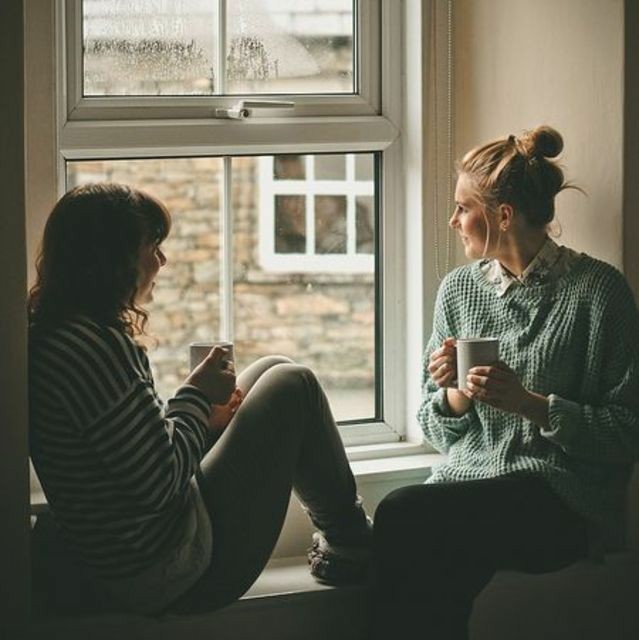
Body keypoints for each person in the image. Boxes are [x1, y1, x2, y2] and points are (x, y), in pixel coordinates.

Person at [28, 183, 371, 617]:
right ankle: (352, 544)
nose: (162, 261)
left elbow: (130, 456)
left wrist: (202, 418)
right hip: (170, 570)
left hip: (135, 556)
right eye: (152, 246)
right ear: (113, 260)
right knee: (294, 383)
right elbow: (158, 482)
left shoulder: (60, 334)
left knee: (271, 367)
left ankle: (349, 539)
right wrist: (195, 395)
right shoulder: (94, 349)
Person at [369, 125, 639, 639]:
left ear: (503, 215)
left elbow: (629, 430)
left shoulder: (600, 293)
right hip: (472, 488)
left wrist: (531, 405)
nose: (453, 221)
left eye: (462, 208)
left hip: (562, 501)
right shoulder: (459, 290)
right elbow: (437, 427)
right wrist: (456, 394)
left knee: (405, 517)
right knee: (432, 559)